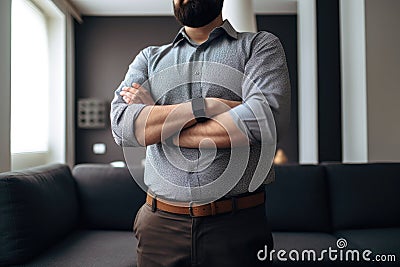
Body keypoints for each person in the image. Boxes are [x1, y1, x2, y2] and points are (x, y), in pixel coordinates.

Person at [110, 0, 290, 266]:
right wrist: (206, 106)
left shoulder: (259, 46)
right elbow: (123, 127)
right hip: (159, 226)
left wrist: (158, 121)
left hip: (236, 225)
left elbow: (265, 121)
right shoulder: (148, 58)